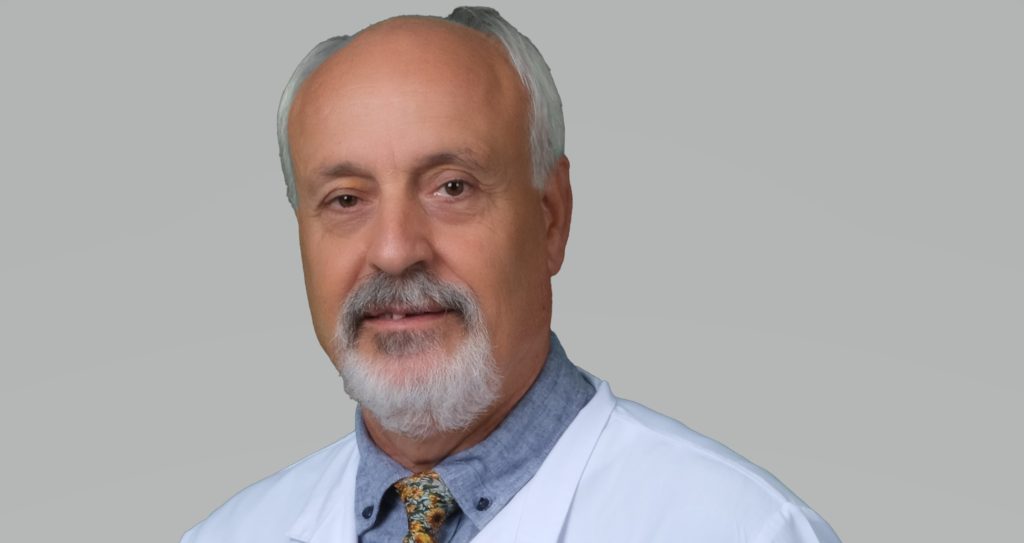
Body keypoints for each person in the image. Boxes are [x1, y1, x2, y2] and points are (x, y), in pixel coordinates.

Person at [182, 6, 840, 542]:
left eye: (452, 186)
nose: (394, 249)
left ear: (551, 217)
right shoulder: (228, 536)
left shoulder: (739, 528)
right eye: (346, 198)